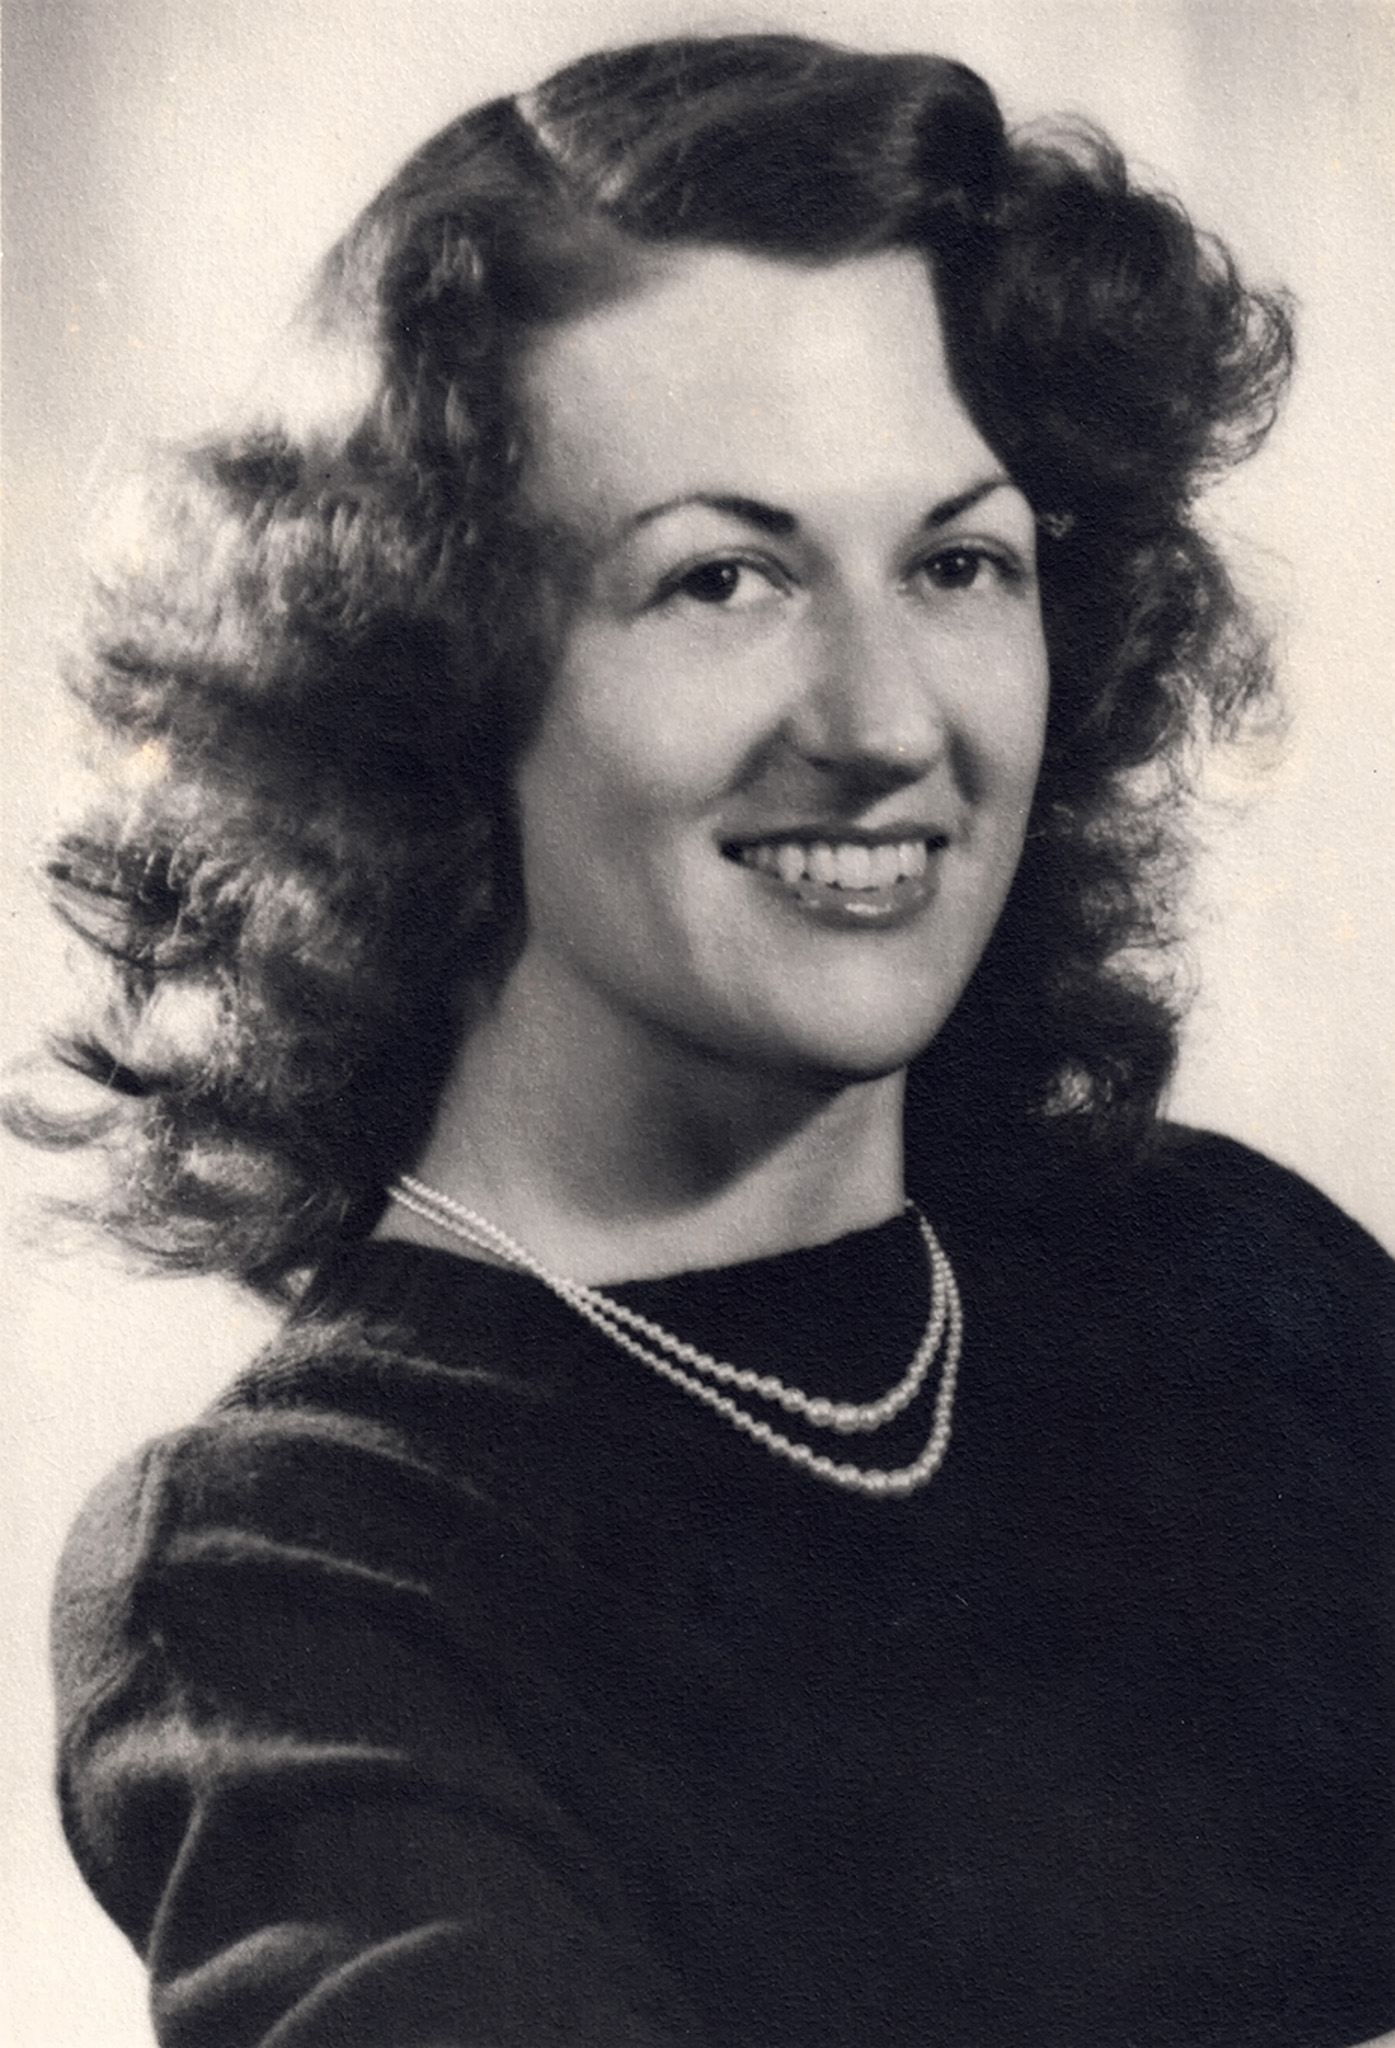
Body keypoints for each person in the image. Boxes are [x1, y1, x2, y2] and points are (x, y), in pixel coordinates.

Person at [22, 32, 1392, 2048]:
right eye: (721, 578)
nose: (882, 719)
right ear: (430, 675)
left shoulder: (1232, 1277)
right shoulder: (290, 1566)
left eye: (957, 562)